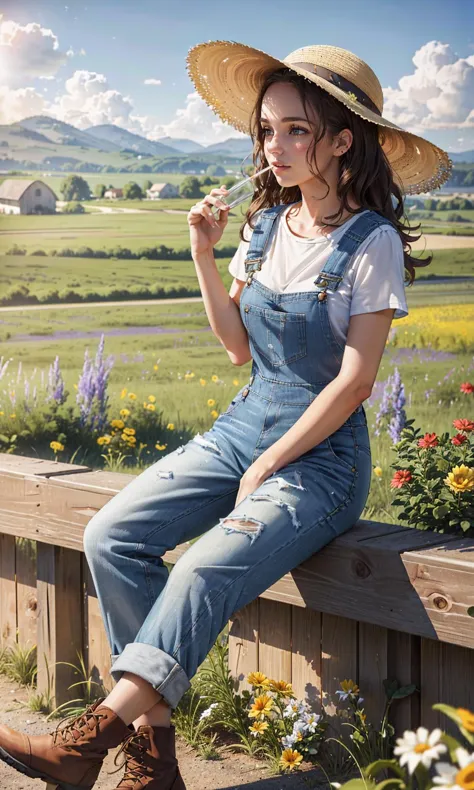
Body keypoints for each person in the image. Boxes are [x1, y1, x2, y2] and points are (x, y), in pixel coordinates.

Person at [0, 42, 451, 790]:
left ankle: (88, 743)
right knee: (111, 534)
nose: (276, 147)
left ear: (344, 140)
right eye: (268, 130)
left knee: (206, 564)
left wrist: (272, 462)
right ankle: (155, 759)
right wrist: (203, 254)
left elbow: (356, 382)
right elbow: (239, 350)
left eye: (297, 130)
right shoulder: (267, 227)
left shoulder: (369, 244)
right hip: (243, 428)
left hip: (324, 460)